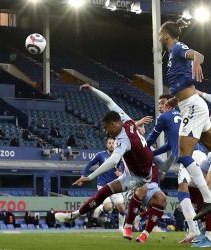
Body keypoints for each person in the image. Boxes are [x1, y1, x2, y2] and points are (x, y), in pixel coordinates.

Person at [55, 84, 163, 243]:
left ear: (113, 124)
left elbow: (113, 161)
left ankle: (134, 226)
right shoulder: (126, 119)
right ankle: (74, 215)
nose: (107, 132)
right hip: (132, 171)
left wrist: (90, 176)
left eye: (107, 128)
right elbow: (109, 102)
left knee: (151, 197)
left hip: (139, 177)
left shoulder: (123, 140)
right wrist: (92, 90)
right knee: (105, 192)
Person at [159, 19, 211, 220]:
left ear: (165, 35)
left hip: (192, 107)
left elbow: (198, 55)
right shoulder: (172, 53)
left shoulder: (179, 47)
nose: (158, 37)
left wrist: (196, 60)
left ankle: (208, 198)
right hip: (190, 103)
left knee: (183, 154)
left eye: (159, 34)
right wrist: (174, 98)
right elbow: (182, 79)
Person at [146, 94, 201, 243]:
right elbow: (170, 144)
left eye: (161, 103)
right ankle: (201, 230)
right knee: (201, 192)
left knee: (182, 192)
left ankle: (194, 229)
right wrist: (152, 153)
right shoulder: (182, 114)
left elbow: (151, 139)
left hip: (187, 156)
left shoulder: (164, 117)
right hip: (200, 153)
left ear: (167, 104)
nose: (159, 106)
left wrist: (143, 149)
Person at [81, 137, 125, 230]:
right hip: (103, 184)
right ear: (106, 145)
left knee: (121, 208)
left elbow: (124, 168)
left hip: (115, 185)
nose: (111, 144)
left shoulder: (119, 156)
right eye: (109, 143)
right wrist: (83, 175)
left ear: (116, 144)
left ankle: (121, 228)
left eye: (113, 143)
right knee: (108, 207)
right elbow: (89, 164)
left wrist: (121, 173)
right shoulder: (100, 155)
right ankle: (99, 208)